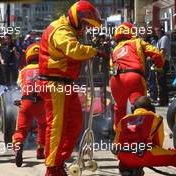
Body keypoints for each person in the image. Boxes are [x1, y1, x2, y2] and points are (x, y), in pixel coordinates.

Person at [37, 1, 106, 175]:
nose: (85, 28)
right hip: (54, 84)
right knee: (57, 126)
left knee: (75, 123)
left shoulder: (69, 29)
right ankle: (52, 168)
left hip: (65, 84)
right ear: (77, 18)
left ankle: (60, 161)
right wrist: (94, 51)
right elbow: (73, 50)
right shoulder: (61, 30)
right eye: (84, 24)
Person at [111, 22, 164, 130]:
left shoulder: (115, 49)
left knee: (119, 109)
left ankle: (118, 139)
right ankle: (142, 137)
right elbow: (156, 53)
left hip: (116, 81)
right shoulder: (137, 42)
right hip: (134, 78)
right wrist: (159, 65)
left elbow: (111, 66)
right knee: (141, 107)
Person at [114, 96, 176, 175]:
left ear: (133, 109)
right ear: (152, 108)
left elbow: (116, 146)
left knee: (124, 162)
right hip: (145, 153)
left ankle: (127, 171)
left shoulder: (123, 120)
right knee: (175, 158)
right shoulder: (156, 118)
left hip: (124, 156)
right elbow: (158, 144)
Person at [12, 43, 46, 167]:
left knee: (20, 130)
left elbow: (21, 86)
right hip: (42, 103)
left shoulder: (23, 71)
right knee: (43, 126)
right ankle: (40, 151)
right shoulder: (45, 67)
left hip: (26, 103)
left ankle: (18, 146)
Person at [154, 26, 171, 106]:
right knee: (162, 82)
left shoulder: (164, 38)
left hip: (163, 62)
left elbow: (162, 52)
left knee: (161, 82)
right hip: (161, 62)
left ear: (161, 30)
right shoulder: (160, 39)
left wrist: (159, 62)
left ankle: (162, 101)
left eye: (157, 30)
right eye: (155, 31)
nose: (156, 32)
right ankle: (164, 100)